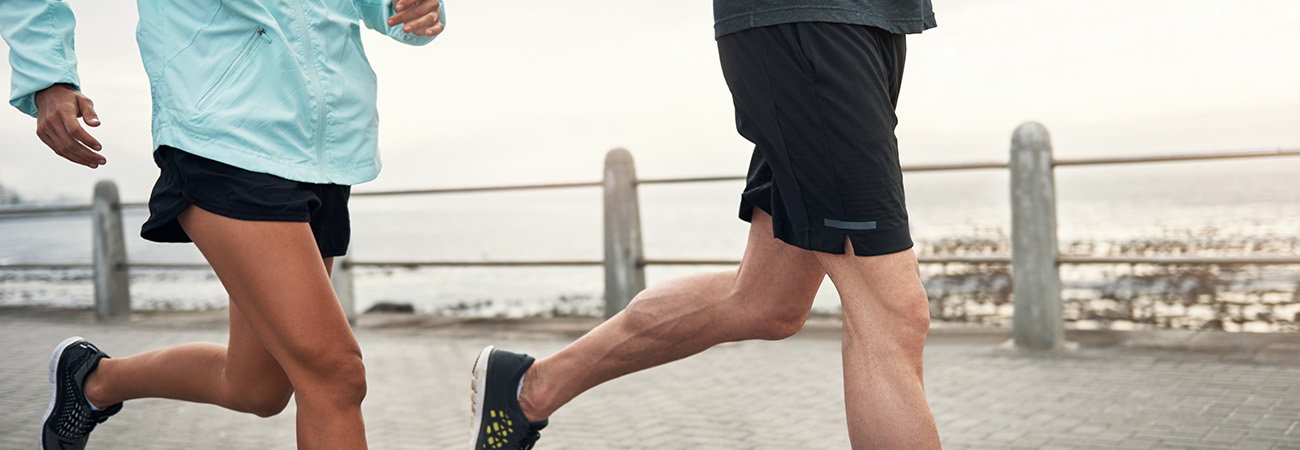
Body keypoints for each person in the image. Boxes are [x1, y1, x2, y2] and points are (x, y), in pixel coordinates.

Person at [469, 1, 939, 449]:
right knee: (890, 313)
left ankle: (528, 390)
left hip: (867, 23)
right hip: (810, 25)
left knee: (764, 301)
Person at [2, 1, 444, 448]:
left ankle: (94, 381)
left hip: (331, 145)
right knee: (336, 374)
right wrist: (48, 77)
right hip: (223, 135)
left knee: (258, 388)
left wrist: (413, 8)